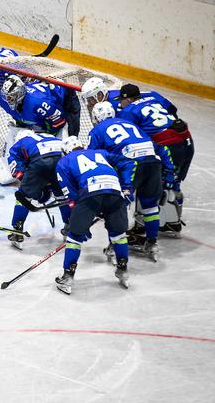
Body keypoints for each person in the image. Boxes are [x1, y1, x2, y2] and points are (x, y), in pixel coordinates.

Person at [89, 101, 175, 261]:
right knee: (150, 206)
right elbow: (161, 149)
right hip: (152, 162)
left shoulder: (97, 130)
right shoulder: (130, 124)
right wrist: (169, 172)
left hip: (131, 165)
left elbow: (92, 157)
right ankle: (152, 243)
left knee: (115, 208)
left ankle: (114, 246)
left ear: (96, 117)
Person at [54, 136, 136, 294]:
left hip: (89, 194)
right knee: (119, 234)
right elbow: (128, 162)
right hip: (115, 191)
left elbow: (71, 196)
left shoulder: (63, 162)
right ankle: (123, 269)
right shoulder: (101, 153)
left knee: (74, 237)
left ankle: (68, 276)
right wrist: (126, 187)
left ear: (65, 151)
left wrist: (81, 222)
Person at [114, 83, 194, 237]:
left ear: (129, 100)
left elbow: (130, 138)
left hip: (168, 146)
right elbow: (173, 110)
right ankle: (173, 222)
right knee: (173, 183)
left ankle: (142, 226)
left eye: (121, 101)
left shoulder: (128, 112)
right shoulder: (153, 96)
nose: (120, 104)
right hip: (186, 139)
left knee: (145, 181)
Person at [5, 130, 70, 250]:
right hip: (62, 161)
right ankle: (69, 226)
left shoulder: (19, 143)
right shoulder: (51, 137)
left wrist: (35, 188)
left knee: (23, 196)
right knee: (62, 194)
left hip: (41, 162)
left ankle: (17, 230)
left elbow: (18, 172)